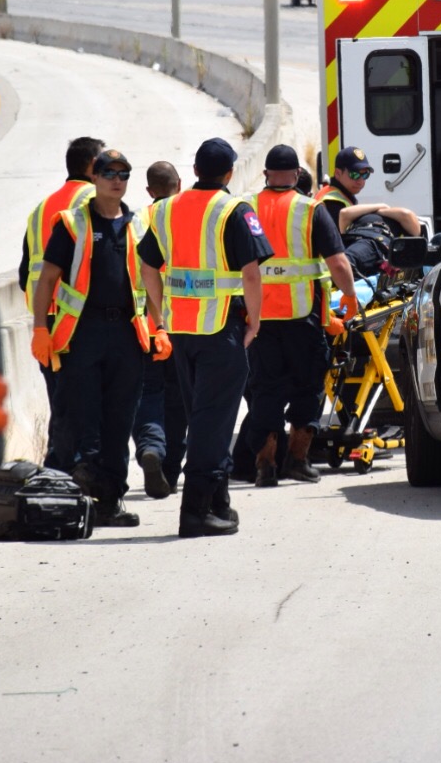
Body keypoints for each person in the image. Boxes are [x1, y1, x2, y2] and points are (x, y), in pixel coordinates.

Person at [138, 138, 273, 538]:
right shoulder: (234, 209)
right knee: (213, 422)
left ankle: (218, 503)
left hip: (182, 330)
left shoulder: (164, 209)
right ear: (230, 172)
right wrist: (255, 322)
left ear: (194, 171)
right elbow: (251, 273)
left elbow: (148, 265)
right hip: (221, 328)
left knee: (204, 415)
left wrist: (160, 314)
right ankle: (194, 512)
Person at [29, 148, 161, 526]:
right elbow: (47, 279)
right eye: (108, 173)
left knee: (119, 422)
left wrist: (160, 326)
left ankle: (111, 502)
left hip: (126, 334)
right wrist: (41, 327)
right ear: (95, 177)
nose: (116, 180)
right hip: (82, 334)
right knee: (81, 418)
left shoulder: (138, 225)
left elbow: (151, 279)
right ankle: (80, 499)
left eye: (123, 174)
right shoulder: (72, 223)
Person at [242, 145, 359, 487]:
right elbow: (338, 262)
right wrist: (350, 297)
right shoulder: (310, 210)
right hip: (302, 316)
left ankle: (265, 465)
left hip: (258, 319)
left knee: (265, 389)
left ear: (265, 174)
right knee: (307, 388)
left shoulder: (246, 208)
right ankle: (297, 459)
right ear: (296, 175)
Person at [18, 136, 102, 428]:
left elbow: (24, 273)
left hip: (47, 322)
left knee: (61, 406)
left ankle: (60, 468)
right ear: (92, 165)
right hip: (83, 320)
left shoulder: (40, 209)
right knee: (93, 405)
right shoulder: (96, 201)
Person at [132, 160, 188, 499]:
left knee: (148, 395)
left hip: (144, 328)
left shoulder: (137, 221)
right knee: (178, 400)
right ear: (179, 184)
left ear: (149, 191)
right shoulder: (186, 217)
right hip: (182, 325)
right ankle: (169, 470)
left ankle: (151, 446)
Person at [316, 146, 420, 238]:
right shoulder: (332, 201)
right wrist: (381, 207)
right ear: (338, 173)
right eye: (354, 175)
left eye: (365, 175)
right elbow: (338, 241)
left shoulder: (338, 194)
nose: (360, 181)